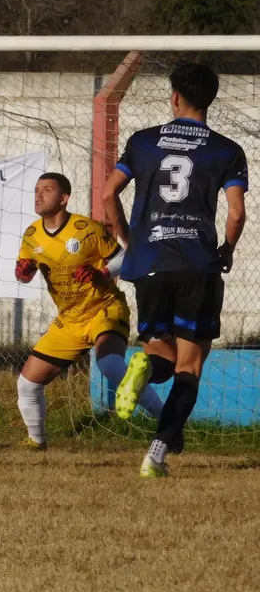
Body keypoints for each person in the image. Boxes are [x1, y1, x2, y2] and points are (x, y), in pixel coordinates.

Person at [104, 62, 247, 478]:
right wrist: (228, 249)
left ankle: (144, 367)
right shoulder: (226, 149)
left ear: (175, 97)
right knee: (190, 366)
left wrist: (129, 241)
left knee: (158, 354)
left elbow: (109, 193)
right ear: (210, 100)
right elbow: (236, 213)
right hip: (196, 265)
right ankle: (156, 455)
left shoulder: (143, 142)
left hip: (149, 263)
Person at [14, 173, 164, 450]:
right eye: (36, 190)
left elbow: (123, 257)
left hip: (103, 308)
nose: (38, 195)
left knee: (109, 365)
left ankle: (167, 425)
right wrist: (23, 274)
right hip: (70, 319)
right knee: (27, 384)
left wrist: (102, 273)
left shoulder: (87, 229)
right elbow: (24, 272)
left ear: (64, 198)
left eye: (46, 190)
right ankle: (37, 442)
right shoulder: (32, 234)